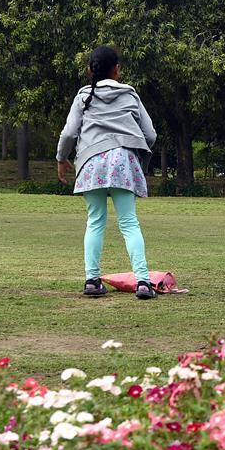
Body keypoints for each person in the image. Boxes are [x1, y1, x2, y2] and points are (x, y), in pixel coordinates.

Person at [56, 46, 158, 299]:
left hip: (91, 162)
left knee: (95, 221)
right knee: (129, 223)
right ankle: (143, 283)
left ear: (90, 69)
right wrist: (136, 150)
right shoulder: (130, 94)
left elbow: (69, 133)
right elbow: (151, 134)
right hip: (123, 161)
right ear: (117, 70)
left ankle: (92, 280)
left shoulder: (83, 96)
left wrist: (61, 158)